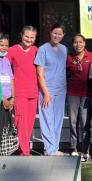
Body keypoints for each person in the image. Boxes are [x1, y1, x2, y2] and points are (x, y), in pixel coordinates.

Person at [35, 24, 68, 156]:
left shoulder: (64, 49)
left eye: (60, 34)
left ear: (63, 35)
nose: (57, 36)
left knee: (58, 121)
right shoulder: (43, 49)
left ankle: (54, 148)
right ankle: (50, 149)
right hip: (46, 90)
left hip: (61, 90)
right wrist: (46, 93)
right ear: (50, 32)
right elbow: (39, 73)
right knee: (47, 120)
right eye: (55, 33)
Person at [7, 26, 38, 155]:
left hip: (34, 91)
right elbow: (4, 69)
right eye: (26, 36)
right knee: (20, 121)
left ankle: (22, 149)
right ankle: (24, 151)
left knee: (30, 123)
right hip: (19, 92)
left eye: (32, 37)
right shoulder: (12, 50)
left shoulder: (36, 51)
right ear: (21, 35)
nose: (29, 39)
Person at [66, 34, 92, 161]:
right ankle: (74, 147)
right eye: (75, 42)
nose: (78, 44)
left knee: (85, 122)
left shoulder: (91, 56)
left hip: (87, 93)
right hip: (72, 93)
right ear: (73, 44)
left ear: (84, 43)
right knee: (73, 121)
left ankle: (85, 148)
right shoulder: (69, 57)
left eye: (81, 42)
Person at [0, 33, 15, 155]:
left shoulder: (6, 60)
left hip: (9, 99)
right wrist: (3, 99)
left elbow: (11, 79)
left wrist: (13, 98)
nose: (4, 48)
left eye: (6, 45)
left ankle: (4, 152)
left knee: (6, 128)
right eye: (1, 45)